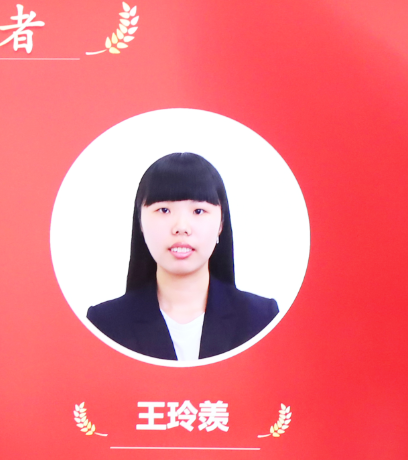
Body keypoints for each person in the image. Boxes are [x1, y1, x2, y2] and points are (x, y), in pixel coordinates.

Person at [86, 152, 278, 362]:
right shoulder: (104, 324)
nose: (181, 227)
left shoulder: (262, 319)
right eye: (164, 210)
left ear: (221, 223)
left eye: (198, 211)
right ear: (140, 221)